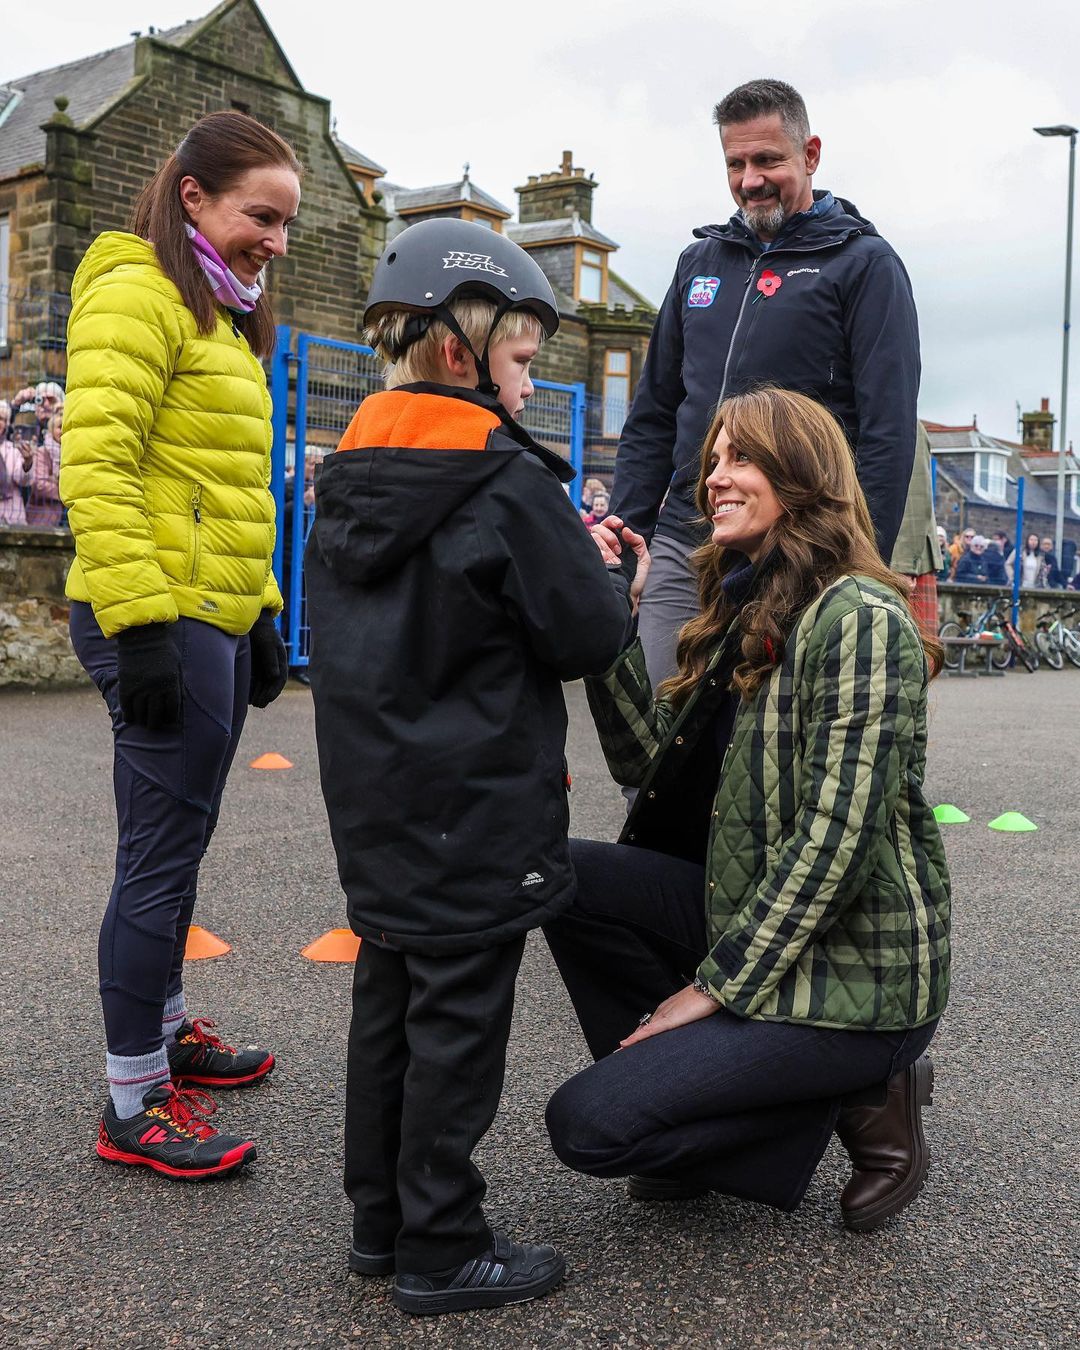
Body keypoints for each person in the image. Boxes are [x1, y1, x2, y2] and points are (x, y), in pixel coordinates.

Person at [305, 219, 643, 1316]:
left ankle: (381, 1223)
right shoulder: (501, 476)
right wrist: (606, 576)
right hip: (480, 801)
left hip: (380, 801)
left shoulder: (351, 468)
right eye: (524, 359)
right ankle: (442, 1246)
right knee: (458, 1020)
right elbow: (584, 637)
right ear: (460, 349)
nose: (531, 383)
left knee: (390, 996)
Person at [544, 386, 950, 1237]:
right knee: (561, 875)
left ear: (802, 476)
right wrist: (610, 619)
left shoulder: (859, 618)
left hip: (859, 978)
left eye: (742, 458)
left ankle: (861, 1086)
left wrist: (711, 989)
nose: (716, 479)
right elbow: (646, 766)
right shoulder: (745, 603)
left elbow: (836, 838)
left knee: (588, 1125)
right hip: (754, 915)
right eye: (714, 461)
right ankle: (698, 1117)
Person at [59, 111, 297, 1181]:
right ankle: (131, 1099)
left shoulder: (221, 313)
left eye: (289, 223)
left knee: (180, 838)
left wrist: (263, 604)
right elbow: (97, 466)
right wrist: (144, 626)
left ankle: (166, 1030)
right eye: (263, 217)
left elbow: (228, 489)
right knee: (158, 855)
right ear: (194, 197)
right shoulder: (136, 295)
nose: (277, 242)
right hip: (155, 613)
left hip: (210, 607)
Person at [604, 77, 920, 691]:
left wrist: (859, 558)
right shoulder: (698, 264)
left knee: (766, 739)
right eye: (736, 163)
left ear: (811, 154)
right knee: (659, 731)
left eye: (768, 159)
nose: (751, 179)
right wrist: (624, 535)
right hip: (683, 535)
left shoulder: (865, 265)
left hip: (798, 546)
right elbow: (654, 415)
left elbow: (886, 431)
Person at [890, 423, 943, 638]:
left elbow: (916, 492)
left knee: (912, 656)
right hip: (893, 555)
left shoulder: (905, 420)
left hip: (905, 561)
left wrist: (905, 564)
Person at [25, 408, 64, 526]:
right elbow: (39, 485)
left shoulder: (72, 454)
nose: (63, 430)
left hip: (62, 517)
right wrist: (65, 491)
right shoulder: (42, 452)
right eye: (59, 426)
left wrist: (54, 479)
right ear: (51, 430)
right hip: (40, 516)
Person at [0, 399, 32, 525]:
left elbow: (23, 481)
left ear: (7, 424)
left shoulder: (12, 449)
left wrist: (27, 462)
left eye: (1, 419)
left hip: (11, 516)